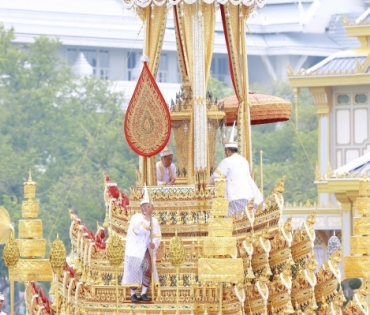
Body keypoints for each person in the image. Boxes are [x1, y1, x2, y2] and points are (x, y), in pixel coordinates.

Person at [210, 122, 263, 216]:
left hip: (235, 198)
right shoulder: (244, 161)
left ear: (227, 151)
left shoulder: (227, 161)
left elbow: (216, 177)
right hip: (249, 197)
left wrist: (208, 183)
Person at [122, 187, 161, 303]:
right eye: (145, 206)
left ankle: (143, 292)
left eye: (149, 206)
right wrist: (147, 219)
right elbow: (139, 229)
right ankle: (133, 293)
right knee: (134, 268)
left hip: (145, 249)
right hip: (134, 249)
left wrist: (154, 244)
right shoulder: (136, 218)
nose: (147, 208)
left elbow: (157, 235)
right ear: (142, 208)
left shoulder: (154, 221)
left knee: (148, 267)